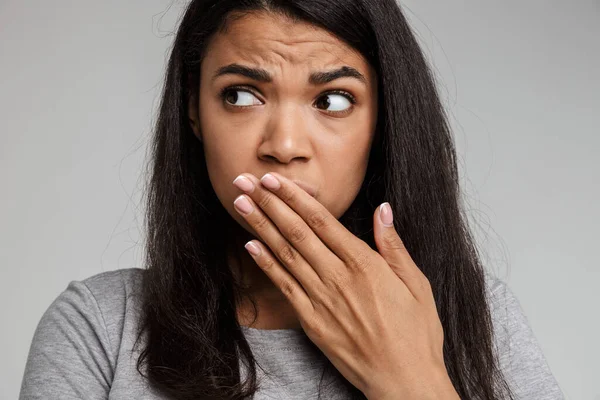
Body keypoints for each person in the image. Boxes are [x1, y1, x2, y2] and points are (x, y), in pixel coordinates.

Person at [19, 1, 566, 399]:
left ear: (382, 121)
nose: (282, 146)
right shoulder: (98, 326)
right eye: (240, 95)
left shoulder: (479, 317)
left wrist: (412, 381)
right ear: (193, 110)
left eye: (332, 100)